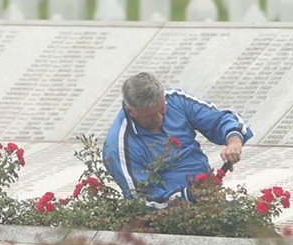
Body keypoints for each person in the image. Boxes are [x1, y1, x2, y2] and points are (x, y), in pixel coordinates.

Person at [102, 72, 253, 207]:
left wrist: (234, 142)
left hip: (209, 195)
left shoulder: (174, 99)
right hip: (170, 218)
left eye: (162, 110)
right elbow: (141, 199)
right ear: (131, 111)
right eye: (150, 116)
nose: (159, 118)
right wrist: (188, 196)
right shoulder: (119, 145)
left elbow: (219, 119)